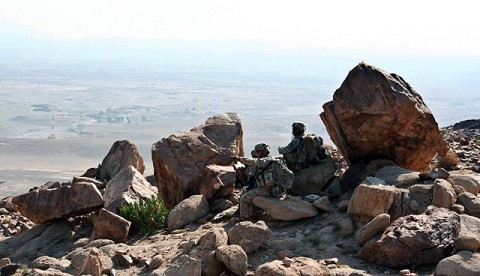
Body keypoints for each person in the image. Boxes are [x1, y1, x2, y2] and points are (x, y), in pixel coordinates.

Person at [233, 142, 284, 221]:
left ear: (264, 152)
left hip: (267, 189)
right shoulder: (266, 161)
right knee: (245, 191)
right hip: (263, 187)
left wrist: (240, 159)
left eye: (258, 151)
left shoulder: (266, 160)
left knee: (244, 199)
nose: (256, 153)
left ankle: (245, 220)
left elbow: (256, 162)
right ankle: (246, 213)